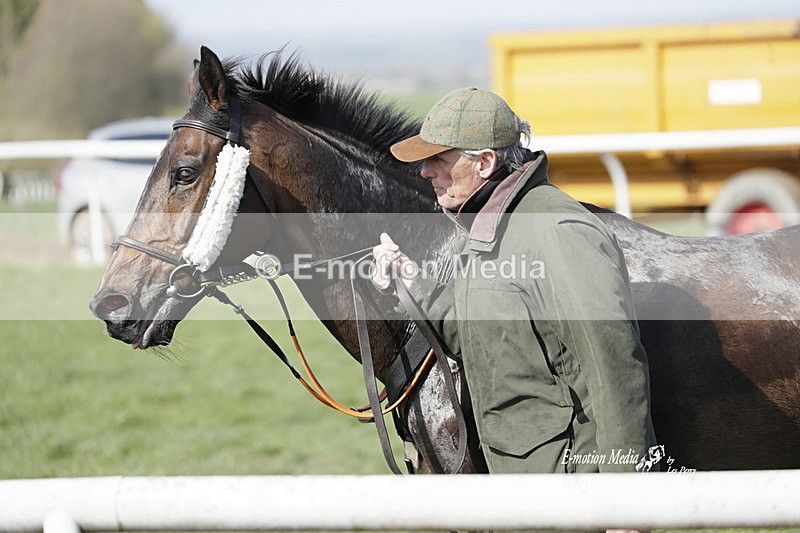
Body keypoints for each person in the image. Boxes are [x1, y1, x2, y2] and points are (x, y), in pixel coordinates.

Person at [372, 87, 657, 475]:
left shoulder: (559, 233)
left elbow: (616, 368)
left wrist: (626, 492)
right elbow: (480, 339)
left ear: (485, 162)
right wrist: (412, 281)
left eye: (438, 159)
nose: (424, 172)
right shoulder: (481, 225)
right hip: (524, 479)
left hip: (573, 483)